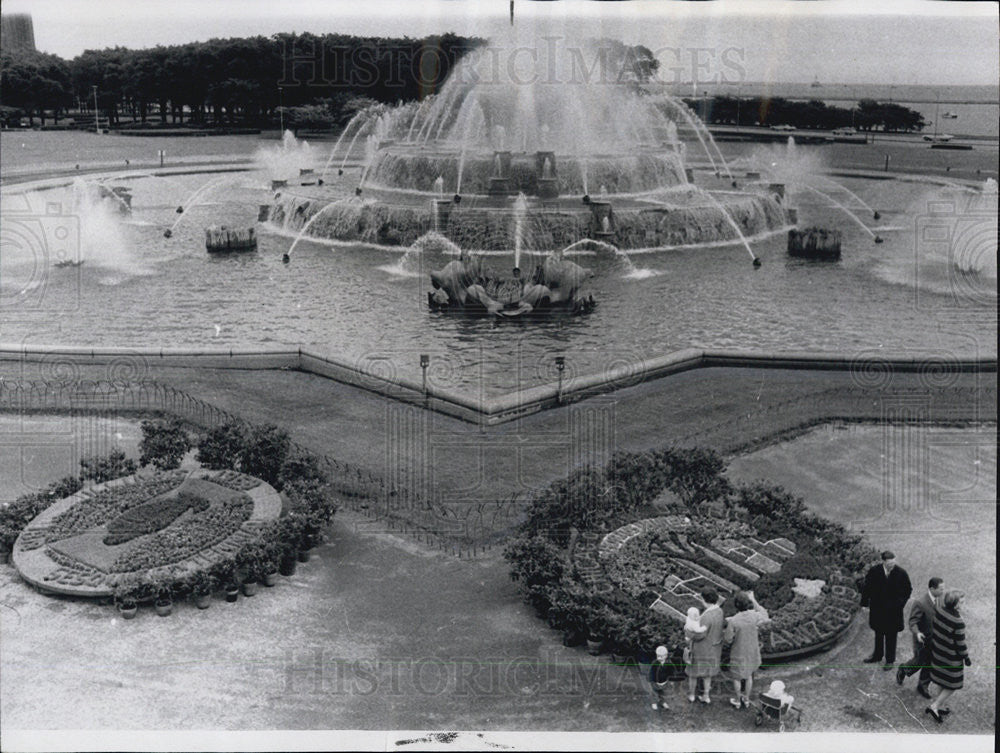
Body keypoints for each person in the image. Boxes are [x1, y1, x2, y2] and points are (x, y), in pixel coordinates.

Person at [860, 550, 912, 669]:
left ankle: (890, 660)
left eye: (893, 563)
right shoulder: (874, 571)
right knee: (878, 632)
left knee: (891, 635)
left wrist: (900, 604)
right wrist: (864, 603)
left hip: (893, 611)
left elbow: (908, 590)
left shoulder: (901, 573)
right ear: (883, 561)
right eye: (889, 563)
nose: (892, 565)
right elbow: (867, 587)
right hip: (878, 609)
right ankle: (877, 655)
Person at [925, 590, 971, 723]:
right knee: (952, 685)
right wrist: (966, 658)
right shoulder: (958, 621)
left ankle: (939, 706)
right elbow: (960, 644)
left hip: (938, 651)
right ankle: (935, 706)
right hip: (951, 657)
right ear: (955, 604)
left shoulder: (939, 611)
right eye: (961, 602)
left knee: (941, 679)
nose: (963, 604)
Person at [897, 576, 945, 698]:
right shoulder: (920, 602)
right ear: (932, 589)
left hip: (935, 638)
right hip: (922, 639)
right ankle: (904, 669)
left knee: (930, 662)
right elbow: (913, 621)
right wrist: (917, 633)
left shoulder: (939, 599)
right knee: (919, 661)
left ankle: (923, 685)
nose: (943, 591)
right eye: (940, 589)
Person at [723, 590, 771, 708]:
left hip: (738, 651)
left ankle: (738, 700)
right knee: (749, 675)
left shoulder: (734, 621)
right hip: (752, 650)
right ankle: (747, 698)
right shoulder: (754, 615)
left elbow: (728, 639)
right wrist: (753, 599)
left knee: (737, 678)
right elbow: (765, 615)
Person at [687, 589, 725, 704]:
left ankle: (692, 695)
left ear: (704, 600)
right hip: (714, 648)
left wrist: (689, 635)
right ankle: (706, 696)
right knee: (707, 674)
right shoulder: (719, 611)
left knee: (693, 673)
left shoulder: (706, 617)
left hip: (702, 649)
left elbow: (700, 635)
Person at [648, 645, 671, 711]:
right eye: (658, 656)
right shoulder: (654, 664)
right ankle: (654, 702)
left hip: (664, 681)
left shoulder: (668, 663)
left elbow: (670, 671)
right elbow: (651, 673)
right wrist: (652, 680)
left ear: (666, 656)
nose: (659, 658)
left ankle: (662, 701)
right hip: (655, 682)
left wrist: (669, 678)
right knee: (654, 692)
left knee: (663, 693)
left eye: (661, 656)